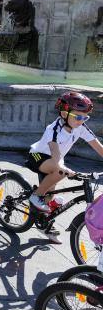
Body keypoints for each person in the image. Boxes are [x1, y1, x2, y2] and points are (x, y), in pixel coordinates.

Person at [25, 92, 103, 243]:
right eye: (77, 117)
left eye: (84, 117)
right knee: (59, 172)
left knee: (50, 196)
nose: (81, 121)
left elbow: (99, 147)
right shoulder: (54, 129)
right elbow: (55, 155)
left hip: (55, 161)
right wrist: (64, 169)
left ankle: (43, 222)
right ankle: (35, 196)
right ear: (64, 113)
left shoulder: (81, 127)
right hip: (38, 157)